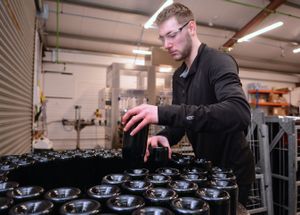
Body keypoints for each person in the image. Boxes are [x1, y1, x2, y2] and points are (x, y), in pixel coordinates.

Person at [122, 2, 255, 206]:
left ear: (191, 28)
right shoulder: (179, 76)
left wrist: (162, 112)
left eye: (172, 35)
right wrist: (163, 136)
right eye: (163, 38)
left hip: (232, 173)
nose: (166, 44)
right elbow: (180, 124)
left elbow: (238, 112)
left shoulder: (218, 62)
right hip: (203, 168)